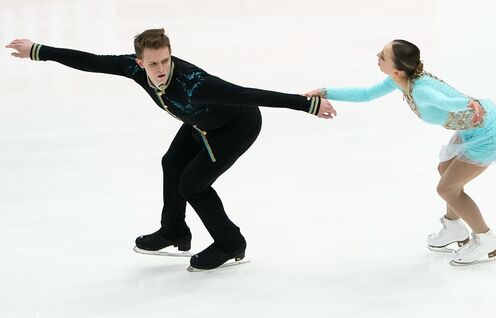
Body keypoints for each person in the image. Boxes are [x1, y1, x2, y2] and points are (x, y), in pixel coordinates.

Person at [6, 28, 337, 271]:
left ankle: (230, 243)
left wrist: (307, 105)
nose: (161, 69)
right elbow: (92, 61)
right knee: (171, 163)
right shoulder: (135, 69)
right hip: (200, 123)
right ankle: (173, 229)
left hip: (236, 127)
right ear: (140, 62)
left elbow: (251, 95)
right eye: (153, 64)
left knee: (192, 183)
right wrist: (39, 50)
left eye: (165, 60)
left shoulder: (195, 85)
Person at [305, 39, 496, 266]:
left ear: (398, 69)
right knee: (444, 169)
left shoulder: (421, 90)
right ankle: (454, 229)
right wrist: (325, 92)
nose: (377, 56)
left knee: (447, 188)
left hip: (488, 132)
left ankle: (486, 239)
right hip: (471, 128)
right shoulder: (399, 80)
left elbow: (446, 101)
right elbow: (365, 94)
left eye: (382, 56)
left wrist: (469, 103)